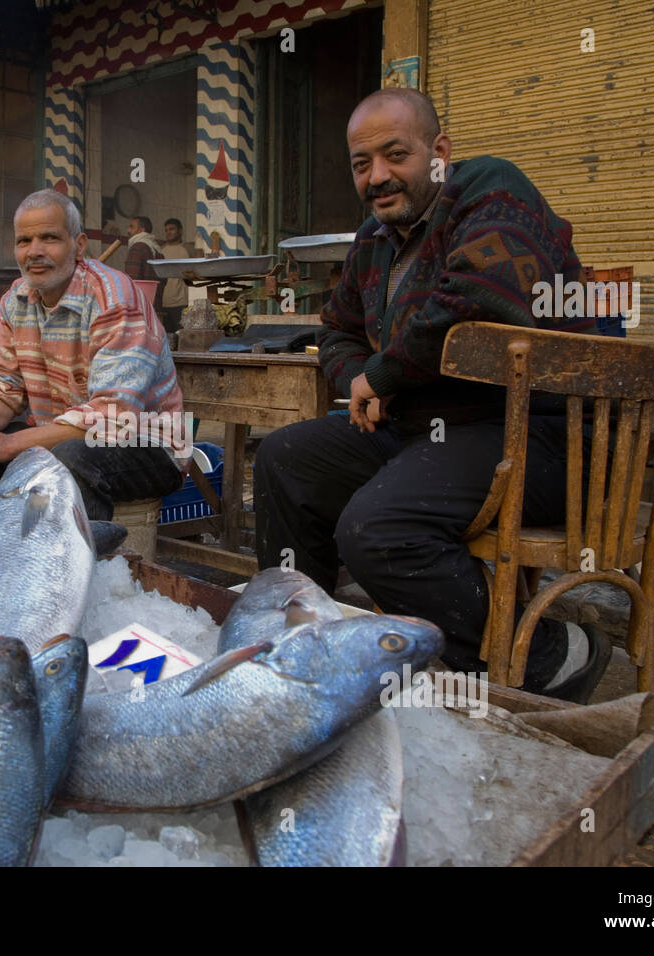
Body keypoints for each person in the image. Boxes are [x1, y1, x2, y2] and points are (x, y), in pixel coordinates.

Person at [253, 88, 610, 703]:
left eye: (396, 155)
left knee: (376, 528)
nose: (378, 176)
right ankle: (304, 649)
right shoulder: (373, 239)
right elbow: (333, 328)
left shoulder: (491, 189)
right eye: (362, 164)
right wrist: (358, 378)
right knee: (285, 459)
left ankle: (552, 655)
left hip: (540, 430)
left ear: (439, 151)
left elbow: (481, 304)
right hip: (428, 430)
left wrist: (383, 376)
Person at [0, 189, 188, 521]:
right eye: (24, 241)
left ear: (79, 245)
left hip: (148, 445)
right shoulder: (15, 302)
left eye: (49, 238)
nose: (35, 252)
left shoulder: (114, 299)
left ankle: (86, 569)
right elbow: (3, 394)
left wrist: (3, 445)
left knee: (73, 458)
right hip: (55, 439)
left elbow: (111, 420)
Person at [158, 218, 194, 334]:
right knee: (166, 337)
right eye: (166, 230)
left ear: (180, 231)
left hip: (181, 302)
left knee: (182, 334)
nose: (168, 232)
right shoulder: (160, 250)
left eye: (172, 229)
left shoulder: (188, 249)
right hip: (163, 302)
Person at [123, 215, 163, 287]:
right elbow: (163, 280)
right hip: (155, 297)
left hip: (141, 297)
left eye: (131, 227)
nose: (128, 230)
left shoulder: (137, 247)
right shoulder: (158, 250)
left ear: (142, 230)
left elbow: (132, 279)